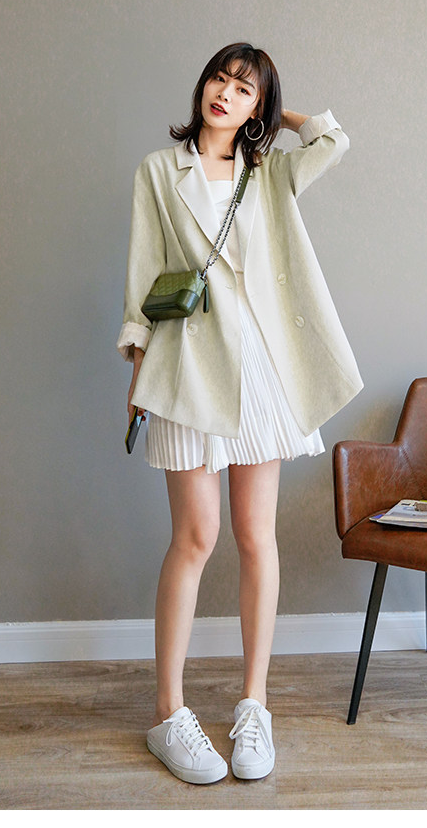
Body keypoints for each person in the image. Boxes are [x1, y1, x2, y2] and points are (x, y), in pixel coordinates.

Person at [117, 42, 362, 784]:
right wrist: (137, 365)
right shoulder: (159, 171)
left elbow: (332, 140)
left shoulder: (269, 170)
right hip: (189, 366)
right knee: (195, 537)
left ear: (259, 106)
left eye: (243, 89)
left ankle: (255, 705)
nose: (225, 93)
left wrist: (274, 113)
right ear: (202, 85)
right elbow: (143, 277)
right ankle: (169, 713)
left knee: (257, 536)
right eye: (220, 79)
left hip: (262, 370)